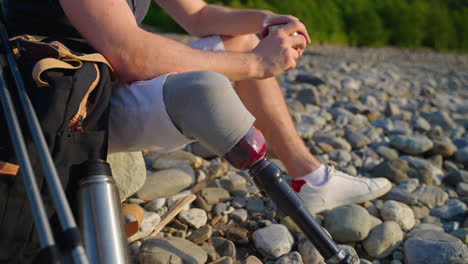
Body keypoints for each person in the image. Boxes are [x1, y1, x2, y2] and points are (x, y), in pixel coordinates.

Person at [3, 0, 391, 215]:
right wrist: (258, 64)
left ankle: (309, 179)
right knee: (202, 88)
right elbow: (131, 54)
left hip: (106, 79)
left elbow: (200, 15)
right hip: (65, 102)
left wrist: (264, 20)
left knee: (238, 43)